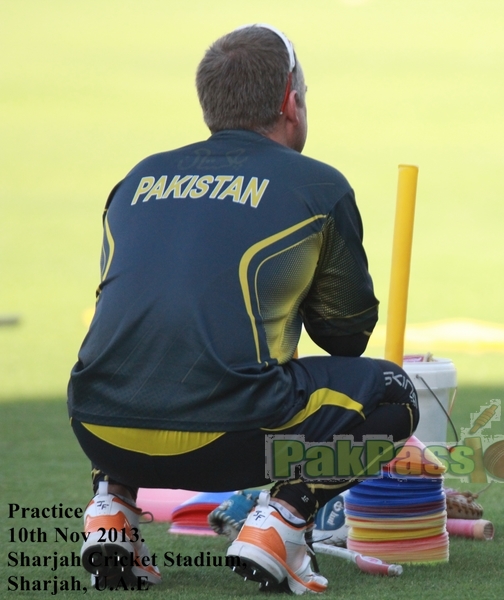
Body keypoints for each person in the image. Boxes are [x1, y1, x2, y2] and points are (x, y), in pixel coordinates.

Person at [68, 24, 419, 594]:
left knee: (138, 356)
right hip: (232, 437)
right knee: (393, 394)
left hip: (97, 427)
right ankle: (281, 522)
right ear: (290, 101)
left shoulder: (136, 177)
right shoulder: (316, 184)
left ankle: (111, 512)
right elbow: (346, 338)